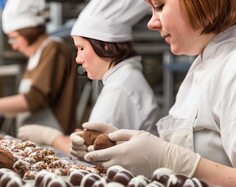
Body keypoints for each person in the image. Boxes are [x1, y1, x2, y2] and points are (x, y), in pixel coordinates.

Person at [73, 0, 236, 187]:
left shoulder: (231, 67)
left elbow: (176, 157)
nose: (151, 23)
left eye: (159, 6)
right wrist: (123, 145)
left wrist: (172, 160)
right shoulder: (201, 66)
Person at [18, 0, 159, 155]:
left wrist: (52, 137)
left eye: (81, 48)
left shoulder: (120, 89)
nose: (78, 59)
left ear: (105, 45)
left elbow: (96, 155)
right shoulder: (123, 80)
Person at [0, 0, 78, 135]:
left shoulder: (54, 48)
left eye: (14, 38)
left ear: (27, 32)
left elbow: (35, 99)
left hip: (55, 138)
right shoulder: (35, 57)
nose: (14, 46)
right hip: (36, 140)